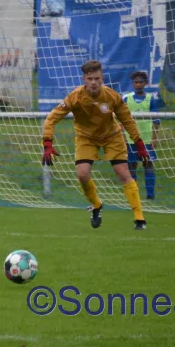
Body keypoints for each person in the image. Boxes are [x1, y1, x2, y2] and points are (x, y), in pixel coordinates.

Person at [41, 60, 150, 230]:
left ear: (102, 78)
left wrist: (139, 143)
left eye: (97, 78)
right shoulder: (75, 97)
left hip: (111, 136)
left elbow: (127, 120)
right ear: (84, 78)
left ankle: (139, 219)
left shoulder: (112, 96)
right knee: (82, 175)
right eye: (90, 78)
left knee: (123, 174)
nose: (93, 82)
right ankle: (96, 205)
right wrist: (47, 143)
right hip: (86, 138)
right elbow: (52, 118)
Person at [122, 71, 161, 200]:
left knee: (148, 164)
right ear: (133, 84)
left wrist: (155, 138)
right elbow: (122, 119)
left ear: (145, 83)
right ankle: (133, 193)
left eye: (140, 82)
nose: (138, 84)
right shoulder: (127, 98)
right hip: (130, 139)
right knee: (131, 165)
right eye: (135, 82)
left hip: (146, 139)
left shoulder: (151, 99)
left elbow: (156, 121)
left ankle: (150, 195)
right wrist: (122, 136)